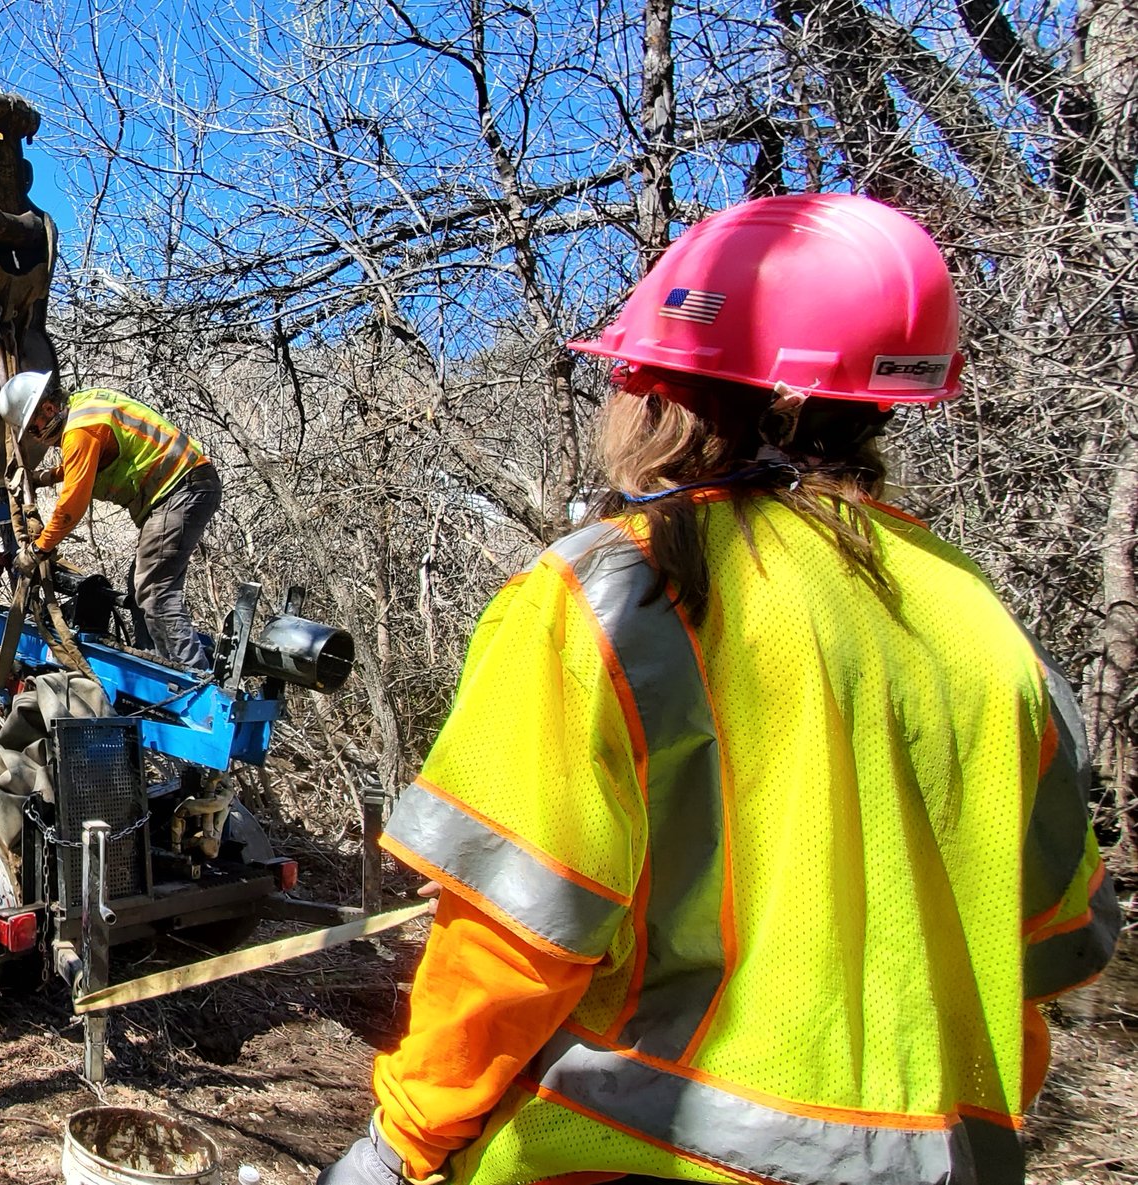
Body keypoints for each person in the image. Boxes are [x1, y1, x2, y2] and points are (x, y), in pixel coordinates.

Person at [322, 193, 1120, 1185]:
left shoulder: (606, 596)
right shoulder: (978, 618)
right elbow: (1046, 954)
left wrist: (398, 1147)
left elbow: (510, 946)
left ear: (685, 395)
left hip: (638, 1157)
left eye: (630, 369)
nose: (616, 393)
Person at [0, 370, 221, 671]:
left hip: (180, 489)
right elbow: (92, 461)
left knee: (154, 590)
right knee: (142, 587)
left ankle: (192, 680)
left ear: (49, 409)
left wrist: (39, 549)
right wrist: (45, 477)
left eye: (34, 428)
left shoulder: (80, 431)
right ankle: (158, 667)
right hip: (183, 487)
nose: (37, 436)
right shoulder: (84, 406)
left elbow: (71, 506)